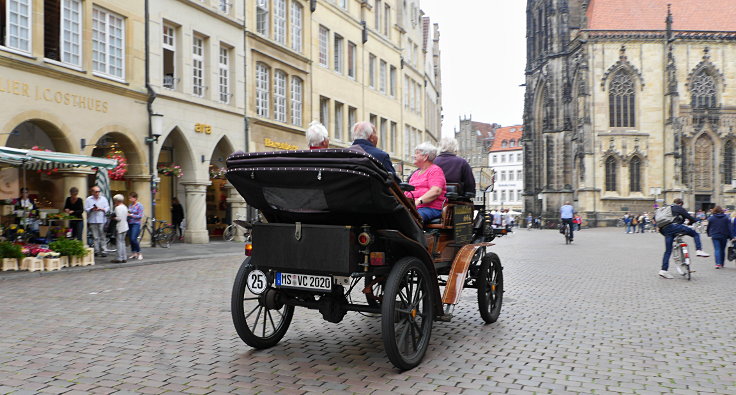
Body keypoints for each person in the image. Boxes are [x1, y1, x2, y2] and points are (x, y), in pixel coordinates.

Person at [658, 198, 709, 279]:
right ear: (680, 203)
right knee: (695, 234)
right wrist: (698, 220)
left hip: (665, 230)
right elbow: (690, 218)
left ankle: (663, 270)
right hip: (674, 227)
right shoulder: (678, 207)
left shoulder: (666, 209)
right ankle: (699, 250)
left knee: (668, 251)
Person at [405, 142, 446, 224]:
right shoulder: (415, 173)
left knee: (410, 217)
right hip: (414, 207)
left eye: (417, 153)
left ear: (425, 157)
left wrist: (418, 201)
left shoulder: (435, 170)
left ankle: (414, 236)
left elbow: (436, 191)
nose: (414, 156)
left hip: (430, 208)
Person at [85, 186, 110, 257]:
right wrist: (92, 209)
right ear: (92, 192)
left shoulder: (103, 199)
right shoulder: (88, 199)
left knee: (102, 235)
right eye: (96, 192)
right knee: (95, 237)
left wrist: (102, 209)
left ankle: (104, 250)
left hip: (102, 219)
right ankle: (96, 250)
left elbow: (107, 208)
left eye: (98, 191)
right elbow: (86, 209)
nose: (97, 193)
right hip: (92, 220)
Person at [111, 194, 129, 263]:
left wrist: (112, 218)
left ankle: (119, 258)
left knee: (119, 242)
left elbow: (119, 218)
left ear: (117, 201)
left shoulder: (117, 208)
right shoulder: (125, 207)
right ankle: (124, 257)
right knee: (123, 242)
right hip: (125, 226)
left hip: (120, 227)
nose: (114, 202)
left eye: (115, 200)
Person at [127, 192, 144, 261]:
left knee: (134, 238)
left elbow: (140, 216)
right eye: (129, 198)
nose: (130, 199)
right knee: (131, 239)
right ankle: (134, 253)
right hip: (130, 223)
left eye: (131, 198)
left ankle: (139, 253)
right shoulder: (130, 205)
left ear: (135, 198)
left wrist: (131, 215)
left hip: (136, 224)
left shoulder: (139, 205)